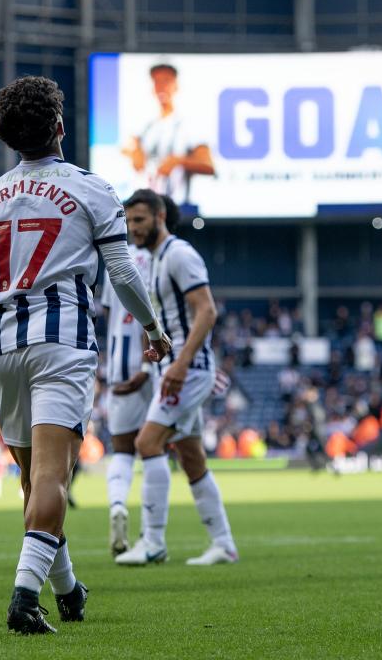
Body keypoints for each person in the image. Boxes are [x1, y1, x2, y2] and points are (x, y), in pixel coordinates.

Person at [0, 76, 170, 634]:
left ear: (9, 138)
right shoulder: (93, 189)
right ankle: (24, 597)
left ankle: (66, 588)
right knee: (53, 476)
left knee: (31, 481)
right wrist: (154, 328)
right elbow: (120, 271)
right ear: (60, 128)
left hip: (4, 347)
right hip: (62, 338)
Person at [115, 189, 238, 567]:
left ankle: (153, 541)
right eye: (129, 221)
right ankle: (223, 544)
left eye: (139, 220)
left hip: (190, 371)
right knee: (191, 456)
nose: (132, 228)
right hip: (172, 368)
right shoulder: (152, 261)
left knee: (148, 441)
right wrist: (148, 364)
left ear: (159, 216)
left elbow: (206, 311)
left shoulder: (180, 255)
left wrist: (180, 364)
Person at [102, 193, 181, 556]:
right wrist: (148, 367)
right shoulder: (161, 259)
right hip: (157, 363)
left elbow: (110, 313)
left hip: (121, 368)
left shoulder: (115, 260)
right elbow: (155, 314)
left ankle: (118, 505)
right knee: (154, 448)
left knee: (122, 449)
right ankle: (154, 535)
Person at [121, 63, 215, 207]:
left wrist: (179, 161)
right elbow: (127, 152)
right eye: (157, 82)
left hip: (177, 208)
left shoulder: (188, 124)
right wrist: (135, 153)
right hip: (145, 207)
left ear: (176, 85)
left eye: (166, 81)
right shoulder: (146, 126)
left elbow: (208, 165)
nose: (161, 86)